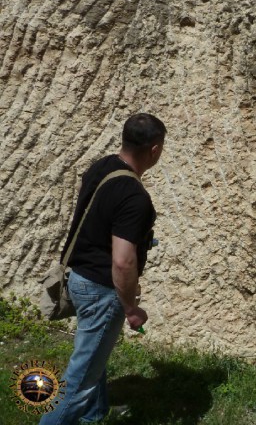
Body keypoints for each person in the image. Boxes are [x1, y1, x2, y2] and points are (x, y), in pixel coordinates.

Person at [40, 113, 166, 425]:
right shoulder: (135, 197)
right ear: (154, 150)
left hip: (80, 279)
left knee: (95, 357)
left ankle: (94, 416)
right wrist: (131, 308)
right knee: (79, 382)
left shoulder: (102, 166)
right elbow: (123, 261)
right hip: (101, 290)